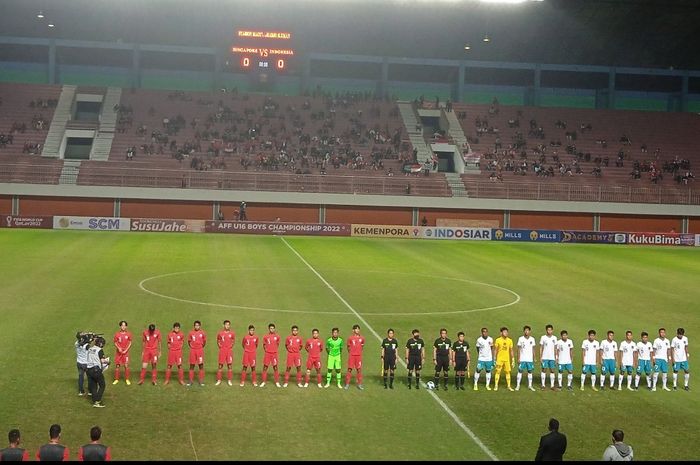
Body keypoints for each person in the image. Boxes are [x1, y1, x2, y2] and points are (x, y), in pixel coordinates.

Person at [86, 337, 109, 408]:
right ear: (101, 344)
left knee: (93, 386)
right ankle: (98, 401)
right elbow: (102, 361)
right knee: (102, 385)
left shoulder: (90, 349)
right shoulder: (99, 350)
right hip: (96, 370)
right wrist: (107, 361)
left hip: (89, 370)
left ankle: (94, 401)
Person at [493, 327, 515, 391]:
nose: (506, 333)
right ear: (501, 333)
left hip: (507, 359)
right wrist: (494, 358)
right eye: (504, 332)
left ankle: (509, 386)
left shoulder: (510, 340)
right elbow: (495, 350)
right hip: (499, 359)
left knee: (508, 372)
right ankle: (496, 385)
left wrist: (513, 359)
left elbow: (511, 350)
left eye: (506, 332)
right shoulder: (498, 340)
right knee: (498, 371)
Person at [260, 323, 282, 388]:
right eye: (270, 328)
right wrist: (267, 350)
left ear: (274, 329)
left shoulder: (277, 337)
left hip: (274, 354)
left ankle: (277, 382)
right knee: (265, 367)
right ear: (269, 329)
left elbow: (277, 344)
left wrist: (274, 350)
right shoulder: (265, 336)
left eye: (273, 328)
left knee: (275, 367)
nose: (272, 329)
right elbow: (264, 345)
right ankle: (263, 381)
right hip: (267, 354)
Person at [516, 325, 537, 391]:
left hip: (529, 359)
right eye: (525, 330)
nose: (526, 332)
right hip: (522, 358)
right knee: (520, 371)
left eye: (528, 330)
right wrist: (518, 358)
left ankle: (530, 385)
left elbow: (533, 349)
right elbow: (518, 349)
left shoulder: (532, 339)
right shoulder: (520, 339)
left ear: (530, 331)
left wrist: (534, 357)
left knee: (530, 371)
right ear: (524, 331)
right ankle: (518, 385)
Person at [345, 324, 365, 390]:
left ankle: (359, 384)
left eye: (358, 329)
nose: (357, 330)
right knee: (349, 369)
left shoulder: (362, 338)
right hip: (352, 356)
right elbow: (348, 347)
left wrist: (358, 352)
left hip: (358, 356)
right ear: (353, 330)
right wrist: (351, 353)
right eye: (356, 329)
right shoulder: (350, 338)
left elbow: (362, 346)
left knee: (359, 370)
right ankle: (347, 384)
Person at [215, 320, 235, 386]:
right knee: (220, 365)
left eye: (228, 325)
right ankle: (219, 380)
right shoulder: (220, 333)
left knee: (229, 365)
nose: (227, 326)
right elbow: (218, 340)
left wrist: (230, 346)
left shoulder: (232, 333)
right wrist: (220, 347)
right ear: (223, 325)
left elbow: (233, 341)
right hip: (222, 351)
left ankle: (229, 380)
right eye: (226, 325)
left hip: (229, 351)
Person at [112, 320, 132, 385]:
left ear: (126, 326)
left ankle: (127, 379)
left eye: (124, 325)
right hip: (119, 353)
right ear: (120, 326)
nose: (123, 327)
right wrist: (118, 348)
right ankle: (116, 379)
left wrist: (126, 350)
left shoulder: (128, 334)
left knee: (126, 365)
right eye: (122, 325)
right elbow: (115, 342)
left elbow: (130, 342)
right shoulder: (117, 334)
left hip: (125, 353)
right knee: (117, 366)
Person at [187, 320, 207, 387]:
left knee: (201, 365)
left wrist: (200, 347)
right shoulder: (191, 333)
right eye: (195, 325)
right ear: (194, 326)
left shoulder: (202, 333)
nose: (196, 326)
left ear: (200, 326)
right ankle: (190, 381)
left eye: (198, 325)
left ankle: (201, 381)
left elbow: (204, 342)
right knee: (191, 365)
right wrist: (192, 347)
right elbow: (189, 341)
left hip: (200, 351)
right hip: (193, 350)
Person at [652, 327, 671, 391]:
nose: (662, 334)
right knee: (656, 373)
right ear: (659, 333)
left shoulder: (667, 341)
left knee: (665, 373)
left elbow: (668, 350)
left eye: (663, 332)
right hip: (658, 358)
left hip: (664, 359)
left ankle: (664, 386)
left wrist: (669, 358)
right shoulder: (656, 340)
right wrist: (653, 358)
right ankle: (654, 386)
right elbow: (654, 350)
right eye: (661, 332)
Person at [540, 324, 558, 390]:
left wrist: (556, 357)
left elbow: (556, 348)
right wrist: (540, 357)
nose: (549, 331)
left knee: (552, 370)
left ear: (552, 330)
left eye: (550, 330)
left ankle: (552, 386)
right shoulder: (543, 337)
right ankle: (543, 385)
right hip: (545, 357)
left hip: (552, 357)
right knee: (544, 370)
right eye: (548, 330)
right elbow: (541, 347)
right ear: (546, 330)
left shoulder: (554, 338)